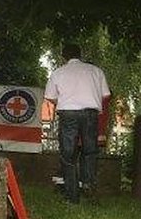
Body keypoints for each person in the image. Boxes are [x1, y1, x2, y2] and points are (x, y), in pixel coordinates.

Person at [43, 43, 110, 204]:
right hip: (90, 114)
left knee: (68, 155)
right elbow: (105, 94)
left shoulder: (58, 73)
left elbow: (50, 97)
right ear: (80, 55)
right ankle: (89, 186)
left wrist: (66, 99)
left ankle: (72, 196)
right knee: (89, 152)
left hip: (68, 114)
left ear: (63, 57)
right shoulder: (96, 71)